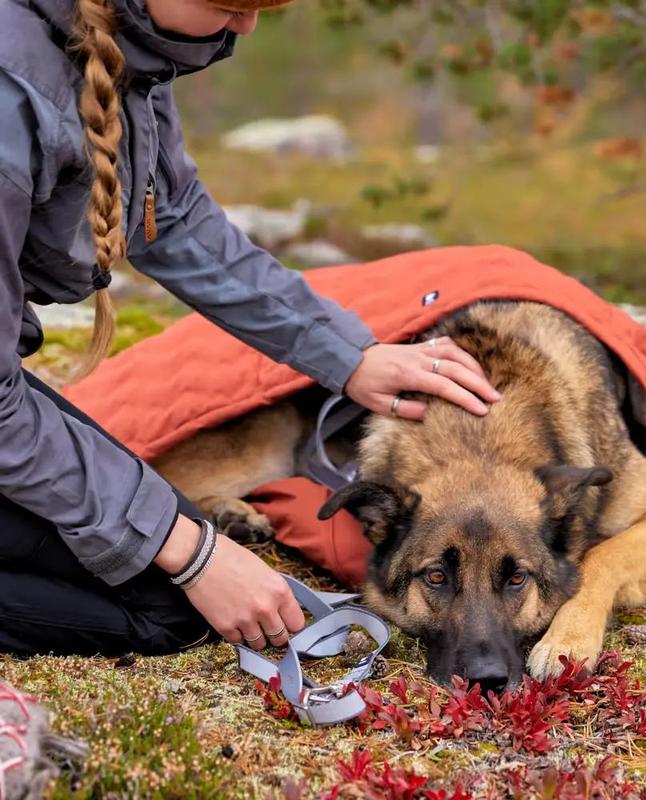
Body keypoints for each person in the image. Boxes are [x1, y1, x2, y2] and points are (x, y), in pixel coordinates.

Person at [0, 0, 500, 658]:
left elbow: (170, 219)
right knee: (165, 604)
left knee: (156, 581)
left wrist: (352, 357)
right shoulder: (13, 93)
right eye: (229, 5)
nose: (247, 26)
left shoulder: (121, 50)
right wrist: (198, 555)